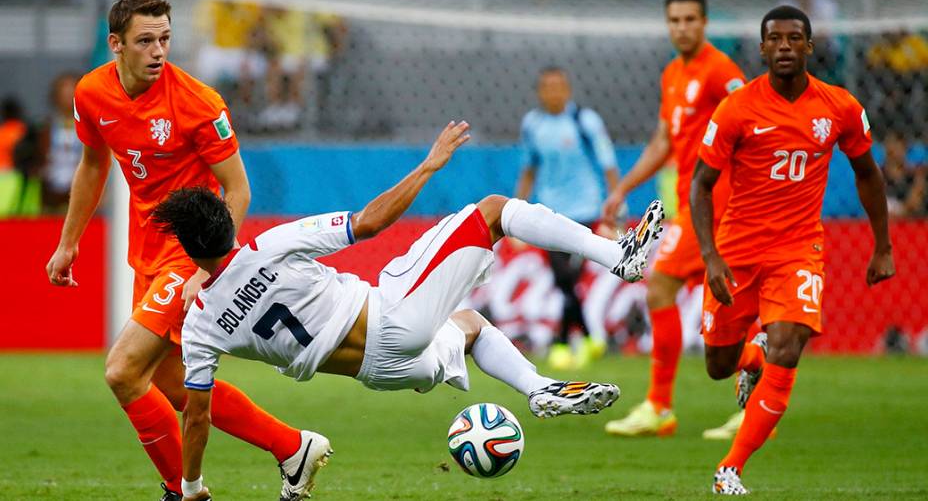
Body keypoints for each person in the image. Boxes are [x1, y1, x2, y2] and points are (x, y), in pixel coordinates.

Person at [151, 121, 664, 501]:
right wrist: (428, 165)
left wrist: (191, 487)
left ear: (190, 249)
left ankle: (538, 388)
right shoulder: (270, 245)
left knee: (471, 326)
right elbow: (369, 223)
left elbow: (198, 414)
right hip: (392, 318)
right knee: (494, 211)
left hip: (382, 373)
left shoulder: (199, 322)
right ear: (226, 221)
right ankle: (620, 256)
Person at [44, 0, 315, 501]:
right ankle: (293, 446)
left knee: (123, 371)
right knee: (169, 385)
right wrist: (68, 242)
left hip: (188, 254)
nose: (157, 51)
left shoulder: (198, 102)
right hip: (145, 248)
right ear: (116, 44)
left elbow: (238, 190)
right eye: (145, 40)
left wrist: (208, 268)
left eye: (165, 39)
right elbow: (93, 164)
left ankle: (181, 491)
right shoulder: (92, 93)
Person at [690, 6, 895, 494]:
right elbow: (702, 184)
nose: (784, 46)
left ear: (809, 46)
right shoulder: (737, 109)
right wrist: (711, 256)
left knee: (789, 344)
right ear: (762, 49)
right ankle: (750, 360)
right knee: (718, 365)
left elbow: (868, 173)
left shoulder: (840, 107)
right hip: (736, 253)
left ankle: (730, 468)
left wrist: (883, 246)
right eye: (775, 39)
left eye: (794, 38)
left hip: (798, 249)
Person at [601, 0, 747, 439]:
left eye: (689, 20)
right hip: (691, 205)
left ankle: (662, 406)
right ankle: (749, 403)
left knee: (662, 287)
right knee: (726, 308)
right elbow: (664, 141)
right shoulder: (672, 74)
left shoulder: (721, 71)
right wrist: (624, 186)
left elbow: (754, 122)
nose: (682, 27)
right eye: (675, 20)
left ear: (704, 23)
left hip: (719, 207)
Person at [516, 66, 621, 370]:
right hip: (549, 212)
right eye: (547, 87)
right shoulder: (532, 125)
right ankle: (589, 337)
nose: (553, 92)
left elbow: (609, 165)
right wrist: (515, 211)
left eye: (559, 86)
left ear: (568, 90)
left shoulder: (584, 122)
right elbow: (528, 169)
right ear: (540, 92)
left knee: (567, 278)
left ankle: (563, 342)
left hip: (585, 211)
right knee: (564, 280)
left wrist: (614, 209)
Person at [39, 72, 83, 213]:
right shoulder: (46, 126)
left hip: (79, 189)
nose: (67, 97)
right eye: (63, 93)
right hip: (51, 191)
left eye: (71, 91)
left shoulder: (89, 125)